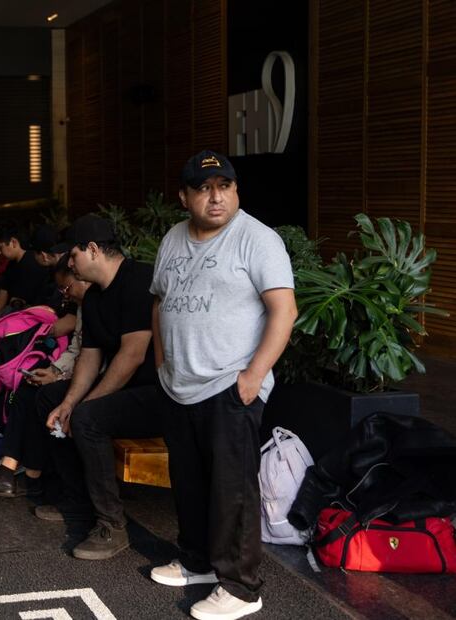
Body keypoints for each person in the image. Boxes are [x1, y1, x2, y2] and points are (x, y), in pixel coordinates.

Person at [148, 151, 296, 620]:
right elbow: (159, 303)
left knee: (233, 492)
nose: (216, 196)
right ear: (184, 197)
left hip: (229, 387)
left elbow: (284, 311)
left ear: (236, 190)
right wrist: (161, 363)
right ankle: (198, 563)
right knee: (189, 484)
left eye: (225, 186)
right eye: (204, 188)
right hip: (179, 386)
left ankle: (241, 588)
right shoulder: (173, 238)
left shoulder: (257, 239)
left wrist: (252, 379)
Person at [40, 214, 162, 560]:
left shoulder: (140, 279)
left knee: (87, 418)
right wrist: (68, 403)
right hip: (126, 392)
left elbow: (133, 354)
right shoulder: (93, 298)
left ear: (93, 250)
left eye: (74, 255)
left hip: (158, 395)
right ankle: (79, 501)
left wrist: (82, 407)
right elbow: (89, 358)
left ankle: (113, 524)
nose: (70, 264)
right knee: (49, 398)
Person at [0, 256, 90, 499]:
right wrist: (55, 371)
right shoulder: (83, 306)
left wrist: (59, 374)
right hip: (75, 369)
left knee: (37, 394)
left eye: (67, 287)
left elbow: (91, 358)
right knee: (29, 384)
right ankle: (18, 472)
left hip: (91, 378)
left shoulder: (94, 305)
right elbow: (75, 351)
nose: (64, 294)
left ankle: (24, 476)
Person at [0, 224, 54, 314]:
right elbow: (1, 298)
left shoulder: (34, 262)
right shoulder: (11, 265)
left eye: (0, 248)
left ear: (13, 242)